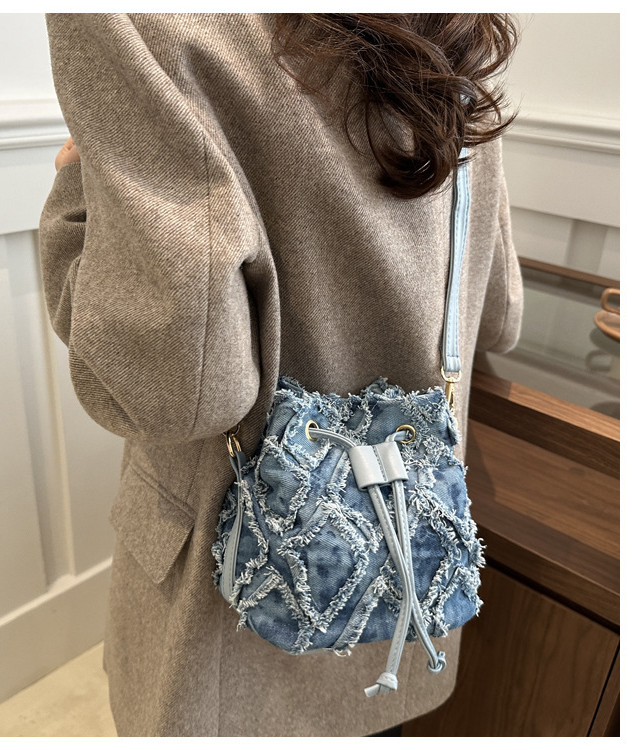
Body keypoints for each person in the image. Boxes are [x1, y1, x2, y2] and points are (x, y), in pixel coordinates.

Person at [39, 13, 523, 737]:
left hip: (227, 606)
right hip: (406, 572)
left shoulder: (141, 22)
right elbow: (499, 317)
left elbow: (180, 393)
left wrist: (74, 197)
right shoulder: (456, 40)